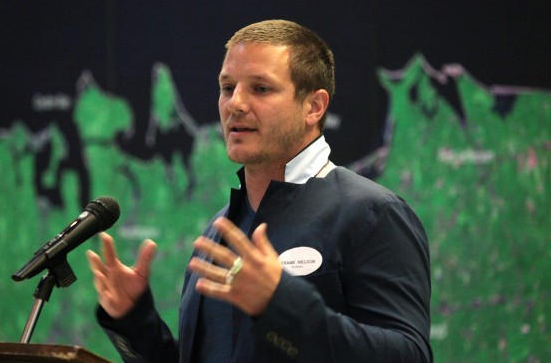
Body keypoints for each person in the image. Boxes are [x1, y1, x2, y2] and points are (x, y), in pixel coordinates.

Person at [86, 19, 433, 362]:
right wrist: (134, 321)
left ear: (314, 106)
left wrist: (279, 302)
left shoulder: (372, 214)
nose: (235, 103)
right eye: (227, 87)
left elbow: (409, 356)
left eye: (260, 88)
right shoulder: (219, 231)